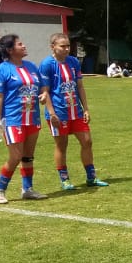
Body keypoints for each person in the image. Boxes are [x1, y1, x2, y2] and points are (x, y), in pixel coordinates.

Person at [39, 33, 109, 190]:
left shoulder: (73, 62)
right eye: (62, 46)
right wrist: (52, 113)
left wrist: (86, 109)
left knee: (87, 141)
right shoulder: (47, 64)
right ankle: (65, 180)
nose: (66, 49)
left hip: (76, 111)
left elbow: (80, 86)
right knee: (62, 145)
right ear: (53, 47)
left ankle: (91, 177)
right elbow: (45, 91)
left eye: (68, 46)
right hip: (58, 113)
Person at [0, 34, 48, 203]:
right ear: (10, 50)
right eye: (20, 44)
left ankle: (27, 189)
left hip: (33, 118)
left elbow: (42, 87)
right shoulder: (3, 69)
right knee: (15, 156)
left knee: (28, 156)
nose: (24, 46)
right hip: (13, 119)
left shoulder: (31, 66)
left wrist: (44, 94)